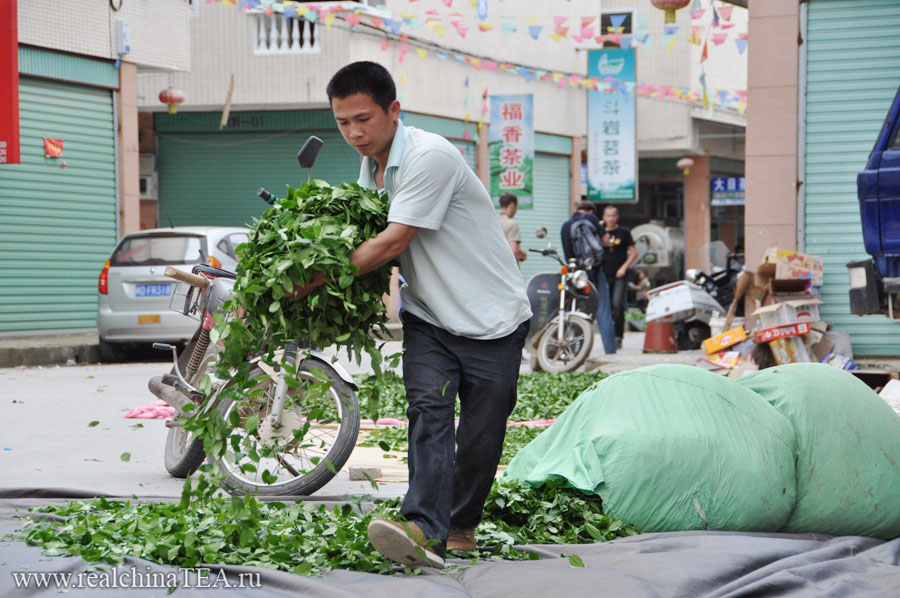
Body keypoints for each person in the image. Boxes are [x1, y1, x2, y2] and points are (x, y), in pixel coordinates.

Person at [297, 61, 532, 569]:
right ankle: (423, 527)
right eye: (343, 123)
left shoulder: (430, 157)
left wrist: (315, 279)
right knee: (429, 413)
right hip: (429, 317)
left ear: (393, 110)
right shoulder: (369, 173)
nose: (354, 133)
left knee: (481, 435)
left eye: (363, 118)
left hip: (494, 318)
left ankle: (461, 524)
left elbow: (394, 241)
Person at [559, 201, 616, 354]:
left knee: (577, 312)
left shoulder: (566, 226)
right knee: (604, 311)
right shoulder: (592, 220)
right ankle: (610, 352)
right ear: (591, 211)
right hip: (596, 271)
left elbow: (567, 254)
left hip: (577, 275)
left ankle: (576, 351)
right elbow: (606, 241)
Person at [600, 205, 638, 347]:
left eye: (614, 215)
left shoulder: (624, 232)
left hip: (619, 275)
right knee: (606, 307)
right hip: (603, 275)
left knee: (618, 305)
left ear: (617, 217)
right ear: (603, 217)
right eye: (608, 216)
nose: (611, 218)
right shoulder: (599, 232)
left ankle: (618, 336)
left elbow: (634, 252)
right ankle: (607, 337)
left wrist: (624, 267)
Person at [498, 192, 527, 263]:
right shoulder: (512, 224)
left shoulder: (493, 222)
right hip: (508, 270)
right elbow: (514, 251)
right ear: (512, 205)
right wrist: (524, 255)